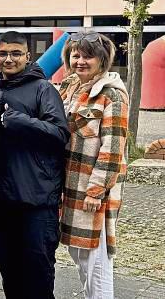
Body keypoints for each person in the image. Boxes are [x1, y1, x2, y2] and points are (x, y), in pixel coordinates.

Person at [0, 31, 69, 299]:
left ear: (27, 56)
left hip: (37, 199)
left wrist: (21, 121)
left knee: (38, 274)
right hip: (2, 199)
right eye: (2, 53)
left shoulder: (43, 88)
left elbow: (60, 134)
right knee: (9, 271)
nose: (8, 59)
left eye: (15, 53)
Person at [58, 31, 128, 299]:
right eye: (76, 55)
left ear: (102, 59)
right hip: (69, 185)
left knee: (95, 261)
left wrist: (96, 190)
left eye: (88, 56)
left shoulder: (112, 95)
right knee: (78, 253)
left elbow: (113, 149)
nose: (81, 61)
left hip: (92, 189)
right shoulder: (68, 86)